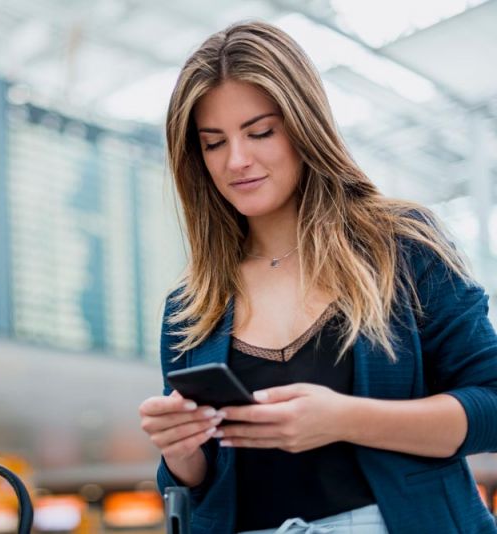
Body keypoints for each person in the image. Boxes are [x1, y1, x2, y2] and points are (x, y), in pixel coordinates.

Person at [138, 20, 497, 534]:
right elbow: (201, 486)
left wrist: (344, 418)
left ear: (305, 125)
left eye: (260, 132)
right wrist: (181, 453)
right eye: (214, 143)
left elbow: (492, 405)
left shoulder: (400, 247)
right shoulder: (191, 307)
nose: (237, 161)